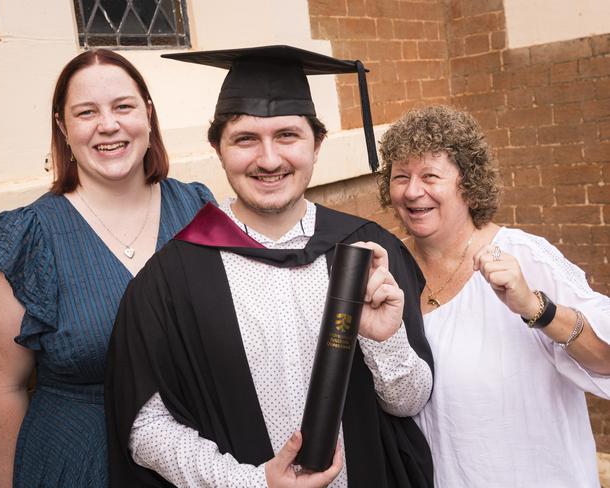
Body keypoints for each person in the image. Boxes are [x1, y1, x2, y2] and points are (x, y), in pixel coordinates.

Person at [106, 45, 434, 487]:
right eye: (245, 139)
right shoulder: (169, 281)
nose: (269, 159)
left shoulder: (368, 254)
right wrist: (254, 483)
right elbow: (147, 428)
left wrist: (386, 342)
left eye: (287, 136)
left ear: (317, 144)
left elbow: (409, 403)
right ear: (217, 148)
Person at [0, 49, 214, 487]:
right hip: (81, 463)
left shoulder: (197, 211)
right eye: (86, 112)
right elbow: (3, 390)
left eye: (123, 106)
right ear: (63, 126)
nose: (108, 125)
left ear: (148, 114)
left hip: (202, 455)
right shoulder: (25, 239)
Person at [377, 104, 610, 487]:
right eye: (400, 176)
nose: (413, 191)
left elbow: (605, 359)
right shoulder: (389, 271)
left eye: (430, 176)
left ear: (468, 183)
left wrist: (536, 307)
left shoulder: (522, 255)